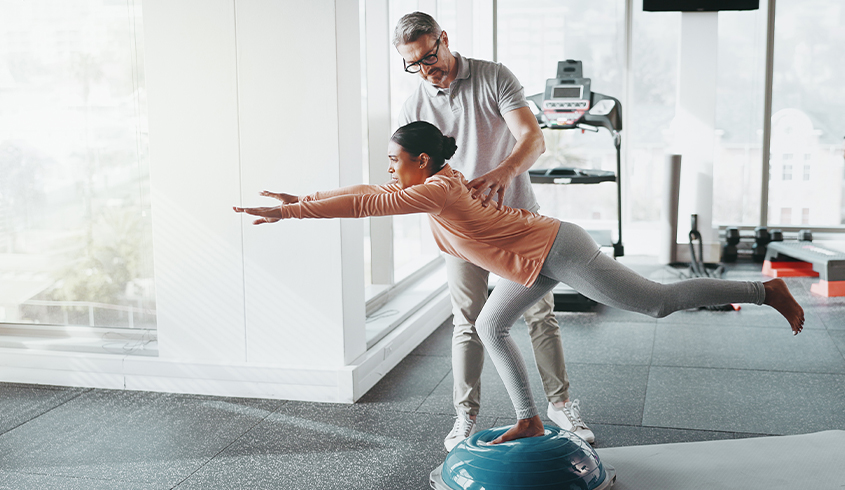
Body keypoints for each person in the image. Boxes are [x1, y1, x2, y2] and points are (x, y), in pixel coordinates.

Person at [234, 121, 805, 445]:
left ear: (423, 161)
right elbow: (370, 189)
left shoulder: (436, 189)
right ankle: (530, 417)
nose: (388, 167)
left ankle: (766, 291)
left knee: (655, 304)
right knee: (490, 323)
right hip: (530, 263)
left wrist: (295, 211)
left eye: (394, 159)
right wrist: (303, 200)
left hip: (559, 249)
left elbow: (367, 202)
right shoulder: (434, 183)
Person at [391, 11, 592, 450]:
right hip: (463, 233)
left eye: (430, 55)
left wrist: (502, 173)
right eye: (416, 64)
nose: (428, 69)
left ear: (443, 39)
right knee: (467, 322)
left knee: (541, 315)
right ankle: (466, 415)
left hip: (517, 219)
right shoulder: (415, 106)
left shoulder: (493, 77)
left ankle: (560, 404)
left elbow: (532, 138)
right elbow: (406, 174)